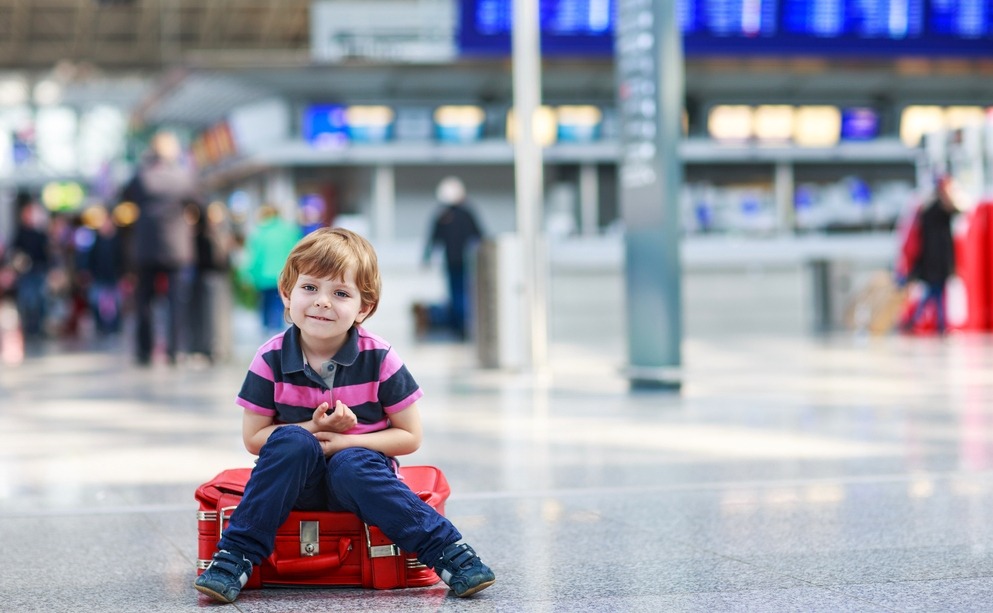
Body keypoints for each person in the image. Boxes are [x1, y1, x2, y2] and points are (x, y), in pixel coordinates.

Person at [194, 227, 495, 604]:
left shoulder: (380, 357)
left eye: (340, 293)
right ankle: (235, 555)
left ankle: (449, 552)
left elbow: (410, 436)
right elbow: (254, 438)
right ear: (287, 293)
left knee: (352, 463)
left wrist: (348, 441)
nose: (322, 302)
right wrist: (313, 428)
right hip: (293, 485)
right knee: (291, 442)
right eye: (309, 288)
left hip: (358, 483)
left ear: (363, 307)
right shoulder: (269, 357)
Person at [120, 131, 201, 365]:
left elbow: (124, 196)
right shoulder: (184, 176)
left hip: (145, 247)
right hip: (177, 248)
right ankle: (174, 352)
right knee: (177, 302)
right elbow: (198, 204)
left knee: (144, 302)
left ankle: (144, 351)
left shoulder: (142, 176)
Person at [422, 177, 484, 339]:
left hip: (457, 262)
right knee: (462, 294)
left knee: (459, 295)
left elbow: (433, 240)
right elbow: (479, 236)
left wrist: (426, 258)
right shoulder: (463, 213)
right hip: (460, 262)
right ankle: (462, 327)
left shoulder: (445, 214)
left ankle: (461, 327)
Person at [902, 175, 961, 334]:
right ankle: (938, 325)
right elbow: (957, 210)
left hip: (931, 262)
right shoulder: (939, 209)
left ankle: (919, 322)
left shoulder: (926, 210)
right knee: (936, 294)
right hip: (936, 262)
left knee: (934, 294)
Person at [239, 204, 301, 336]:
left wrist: (247, 275)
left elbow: (253, 258)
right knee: (280, 304)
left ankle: (267, 335)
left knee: (265, 305)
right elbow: (296, 252)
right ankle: (279, 333)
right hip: (283, 275)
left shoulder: (259, 234)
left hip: (263, 277)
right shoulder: (288, 232)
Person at [9, 196, 51, 339]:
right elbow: (13, 251)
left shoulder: (40, 233)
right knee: (26, 301)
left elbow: (47, 252)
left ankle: (37, 328)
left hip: (38, 271)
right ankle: (27, 329)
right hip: (25, 273)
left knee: (39, 301)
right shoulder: (20, 232)